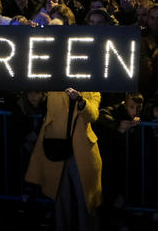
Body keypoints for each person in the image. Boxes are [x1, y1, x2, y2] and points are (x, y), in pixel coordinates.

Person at [25, 87, 102, 231]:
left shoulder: (91, 90)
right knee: (61, 198)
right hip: (57, 150)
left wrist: (80, 100)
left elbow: (93, 115)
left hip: (82, 152)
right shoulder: (53, 89)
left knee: (85, 199)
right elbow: (36, 103)